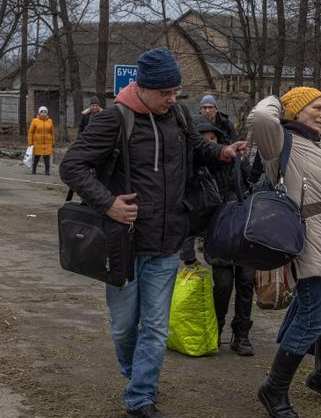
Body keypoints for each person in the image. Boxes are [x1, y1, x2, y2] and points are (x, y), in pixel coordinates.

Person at [60, 47, 246, 418]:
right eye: (165, 93)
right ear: (142, 88)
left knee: (157, 327)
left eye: (175, 91)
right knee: (125, 328)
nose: (173, 98)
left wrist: (224, 152)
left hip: (166, 242)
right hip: (122, 245)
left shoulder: (176, 115)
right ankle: (135, 376)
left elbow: (197, 150)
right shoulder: (114, 120)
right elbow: (72, 166)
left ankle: (140, 397)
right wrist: (108, 203)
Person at [247, 87, 321, 418]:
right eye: (315, 107)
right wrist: (279, 104)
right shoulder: (282, 144)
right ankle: (273, 389)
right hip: (314, 246)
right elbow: (258, 117)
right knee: (313, 319)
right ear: (295, 111)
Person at [180, 114, 255, 357]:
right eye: (204, 140)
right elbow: (190, 213)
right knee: (223, 285)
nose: (210, 143)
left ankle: (241, 335)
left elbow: (251, 189)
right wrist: (188, 251)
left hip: (242, 233)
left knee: (245, 283)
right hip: (218, 237)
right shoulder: (196, 173)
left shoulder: (236, 164)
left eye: (213, 138)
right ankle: (216, 329)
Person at [27, 106, 54, 175]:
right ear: (39, 113)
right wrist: (30, 142)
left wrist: (53, 142)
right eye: (42, 112)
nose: (43, 113)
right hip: (37, 143)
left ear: (47, 113)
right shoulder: (35, 121)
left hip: (47, 143)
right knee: (36, 157)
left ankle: (47, 171)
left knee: (47, 158)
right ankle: (34, 170)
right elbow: (30, 132)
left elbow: (52, 133)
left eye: (45, 112)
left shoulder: (50, 121)